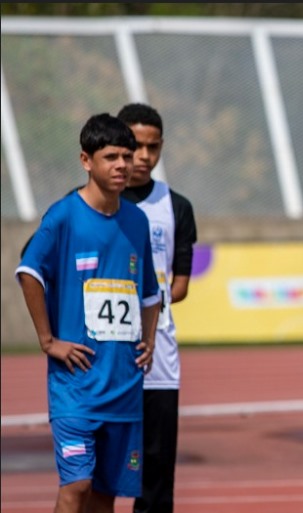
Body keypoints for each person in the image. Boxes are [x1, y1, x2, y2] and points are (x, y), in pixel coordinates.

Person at [15, 113, 161, 513]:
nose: (122, 165)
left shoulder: (137, 220)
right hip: (76, 387)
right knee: (76, 486)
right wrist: (48, 341)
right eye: (111, 157)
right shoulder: (64, 215)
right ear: (86, 161)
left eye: (127, 157)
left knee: (104, 495)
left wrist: (148, 338)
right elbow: (29, 272)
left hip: (124, 384)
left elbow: (150, 293)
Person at [116, 103, 198, 513]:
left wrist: (149, 299)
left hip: (159, 356)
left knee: (156, 471)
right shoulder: (91, 202)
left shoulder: (176, 207)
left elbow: (180, 283)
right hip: (105, 352)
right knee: (98, 472)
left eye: (153, 147)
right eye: (135, 146)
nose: (144, 157)